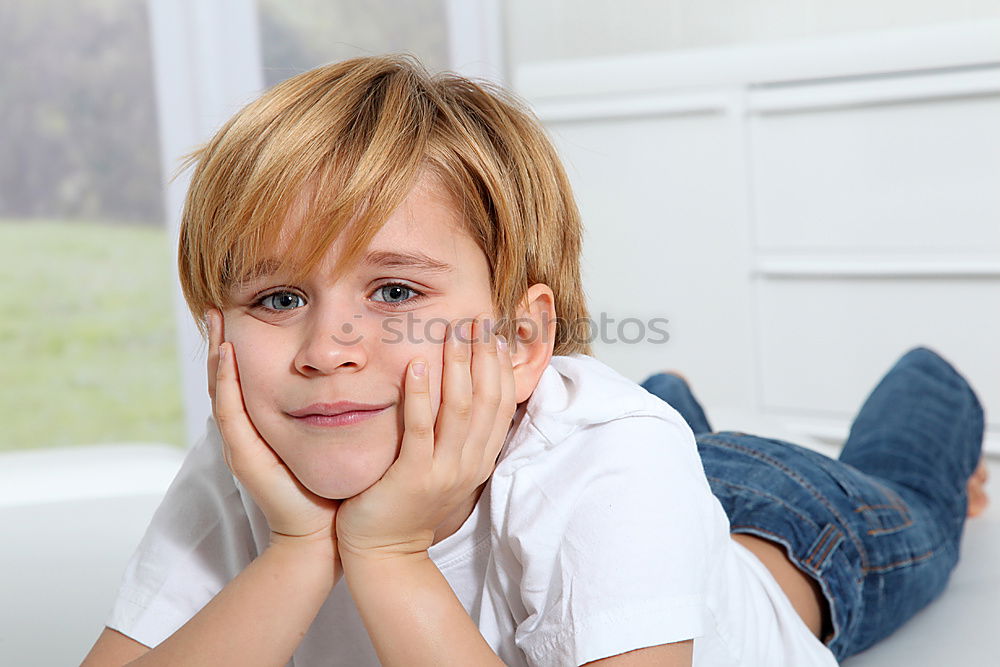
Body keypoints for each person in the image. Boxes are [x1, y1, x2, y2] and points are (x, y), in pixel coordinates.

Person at [80, 55, 989, 667]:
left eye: (395, 292)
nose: (324, 352)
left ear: (520, 340)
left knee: (910, 488)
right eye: (278, 300)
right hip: (627, 476)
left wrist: (389, 551)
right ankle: (679, 410)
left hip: (793, 533)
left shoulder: (617, 457)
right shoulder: (271, 444)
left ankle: (938, 392)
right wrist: (297, 546)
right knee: (651, 428)